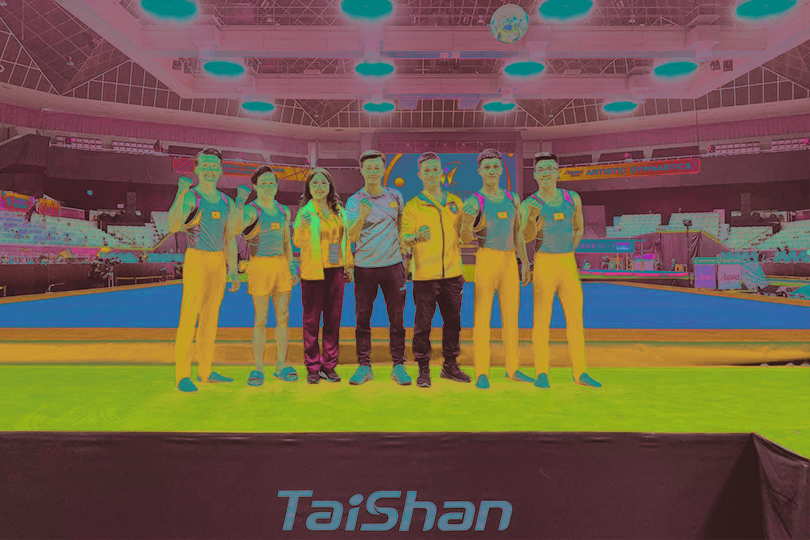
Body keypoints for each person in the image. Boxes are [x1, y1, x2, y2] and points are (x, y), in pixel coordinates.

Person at [521, 152, 601, 389]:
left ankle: (580, 372)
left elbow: (578, 228)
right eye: (541, 170)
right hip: (544, 264)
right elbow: (526, 237)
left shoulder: (572, 198)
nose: (545, 173)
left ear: (558, 172)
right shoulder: (529, 204)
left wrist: (568, 252)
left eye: (550, 169)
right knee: (541, 320)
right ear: (535, 175)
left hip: (567, 264)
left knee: (575, 319)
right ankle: (541, 373)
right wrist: (531, 219)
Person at [166, 147, 240, 393]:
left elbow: (230, 239)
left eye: (214, 165)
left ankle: (206, 371)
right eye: (205, 165)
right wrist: (180, 193)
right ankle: (182, 375)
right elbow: (173, 226)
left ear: (220, 170)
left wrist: (233, 271)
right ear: (197, 169)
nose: (209, 169)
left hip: (218, 262)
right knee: (189, 317)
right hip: (197, 258)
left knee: (211, 317)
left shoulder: (227, 202)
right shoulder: (191, 197)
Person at [460, 148, 533, 390]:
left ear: (502, 169)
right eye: (487, 167)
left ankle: (513, 369)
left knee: (512, 318)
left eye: (495, 166)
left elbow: (518, 232)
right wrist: (467, 222)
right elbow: (465, 238)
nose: (491, 171)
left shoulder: (513, 198)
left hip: (509, 261)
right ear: (479, 171)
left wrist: (525, 262)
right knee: (482, 318)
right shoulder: (474, 201)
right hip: (487, 259)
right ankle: (482, 372)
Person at [401, 152, 471, 388]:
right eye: (427, 171)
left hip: (453, 275)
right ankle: (423, 368)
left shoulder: (456, 203)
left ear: (441, 172)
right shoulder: (413, 206)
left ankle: (450, 366)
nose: (431, 174)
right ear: (419, 174)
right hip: (425, 277)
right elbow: (404, 237)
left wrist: (469, 225)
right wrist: (416, 238)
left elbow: (464, 236)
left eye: (435, 169)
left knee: (453, 323)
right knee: (423, 326)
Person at [229, 166, 299, 386]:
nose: (269, 186)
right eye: (264, 183)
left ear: (276, 185)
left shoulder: (284, 210)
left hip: (281, 266)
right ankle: (258, 368)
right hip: (259, 266)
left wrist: (292, 268)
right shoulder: (252, 211)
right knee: (260, 319)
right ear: (255, 186)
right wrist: (239, 202)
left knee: (283, 317)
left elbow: (287, 242)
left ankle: (281, 366)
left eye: (272, 183)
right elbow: (235, 229)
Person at [345, 150, 410, 386]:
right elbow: (351, 236)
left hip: (393, 266)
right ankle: (364, 366)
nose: (373, 172)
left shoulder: (396, 196)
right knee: (363, 318)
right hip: (365, 268)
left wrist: (407, 257)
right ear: (361, 171)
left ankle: (399, 366)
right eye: (368, 168)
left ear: (383, 169)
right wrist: (362, 216)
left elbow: (401, 228)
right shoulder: (354, 201)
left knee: (397, 318)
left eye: (377, 167)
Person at [293, 168, 353, 384]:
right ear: (309, 187)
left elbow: (346, 241)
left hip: (336, 271)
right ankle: (312, 366)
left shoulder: (340, 211)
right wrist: (301, 228)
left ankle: (329, 365)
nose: (319, 187)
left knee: (333, 320)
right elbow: (298, 243)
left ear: (330, 186)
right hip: (313, 273)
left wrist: (348, 266)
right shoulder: (305, 212)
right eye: (315, 183)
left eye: (323, 183)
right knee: (311, 321)